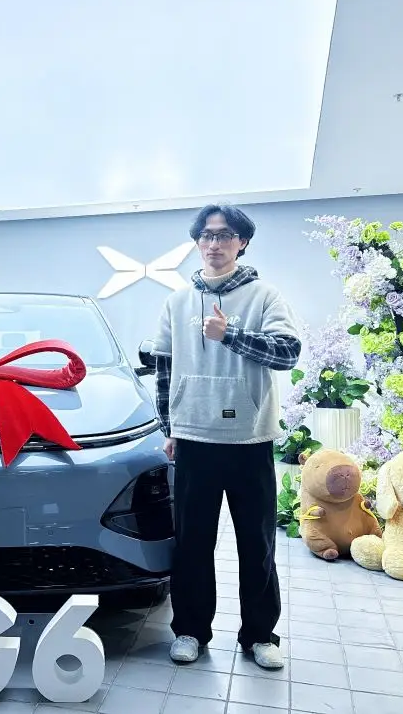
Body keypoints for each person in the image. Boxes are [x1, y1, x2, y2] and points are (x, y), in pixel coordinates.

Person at [151, 204, 301, 668]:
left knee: (257, 544)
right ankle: (190, 631)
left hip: (249, 440)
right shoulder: (177, 301)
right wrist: (170, 428)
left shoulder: (265, 295)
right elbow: (163, 368)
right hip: (194, 438)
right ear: (197, 242)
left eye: (224, 235)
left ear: (242, 242)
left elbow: (288, 353)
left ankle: (260, 635)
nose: (214, 243)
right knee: (192, 543)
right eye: (206, 235)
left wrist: (230, 334)